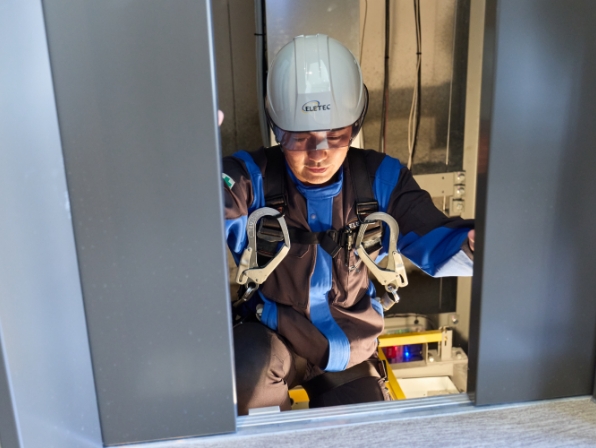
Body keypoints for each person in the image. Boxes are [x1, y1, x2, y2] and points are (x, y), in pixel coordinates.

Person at [221, 34, 474, 415]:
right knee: (246, 375)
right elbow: (208, 206)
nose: (319, 154)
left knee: (366, 432)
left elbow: (435, 240)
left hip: (350, 344)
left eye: (335, 136)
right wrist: (192, 168)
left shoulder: (380, 180)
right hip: (273, 336)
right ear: (277, 128)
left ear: (354, 126)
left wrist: (473, 244)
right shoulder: (249, 177)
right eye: (300, 138)